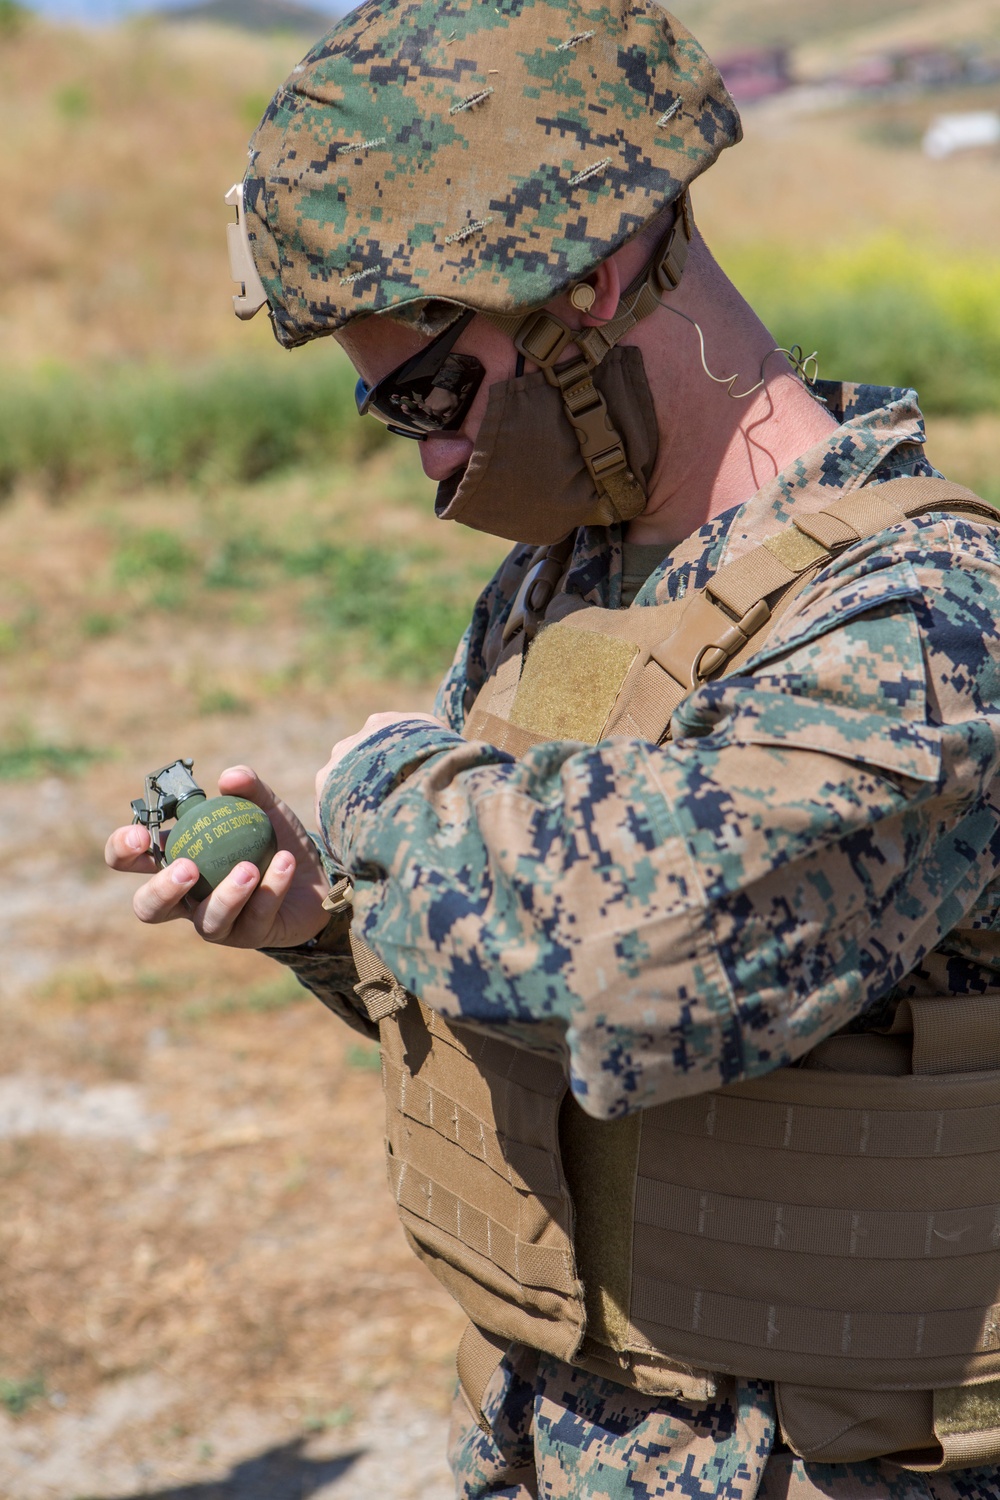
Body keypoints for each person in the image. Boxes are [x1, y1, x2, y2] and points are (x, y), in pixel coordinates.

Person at [107, 1, 1000, 1494]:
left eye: (427, 395)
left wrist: (382, 794)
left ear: (582, 288)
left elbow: (636, 965)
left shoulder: (923, 624)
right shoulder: (566, 584)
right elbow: (548, 1031)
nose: (433, 458)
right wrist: (333, 922)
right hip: (546, 1435)